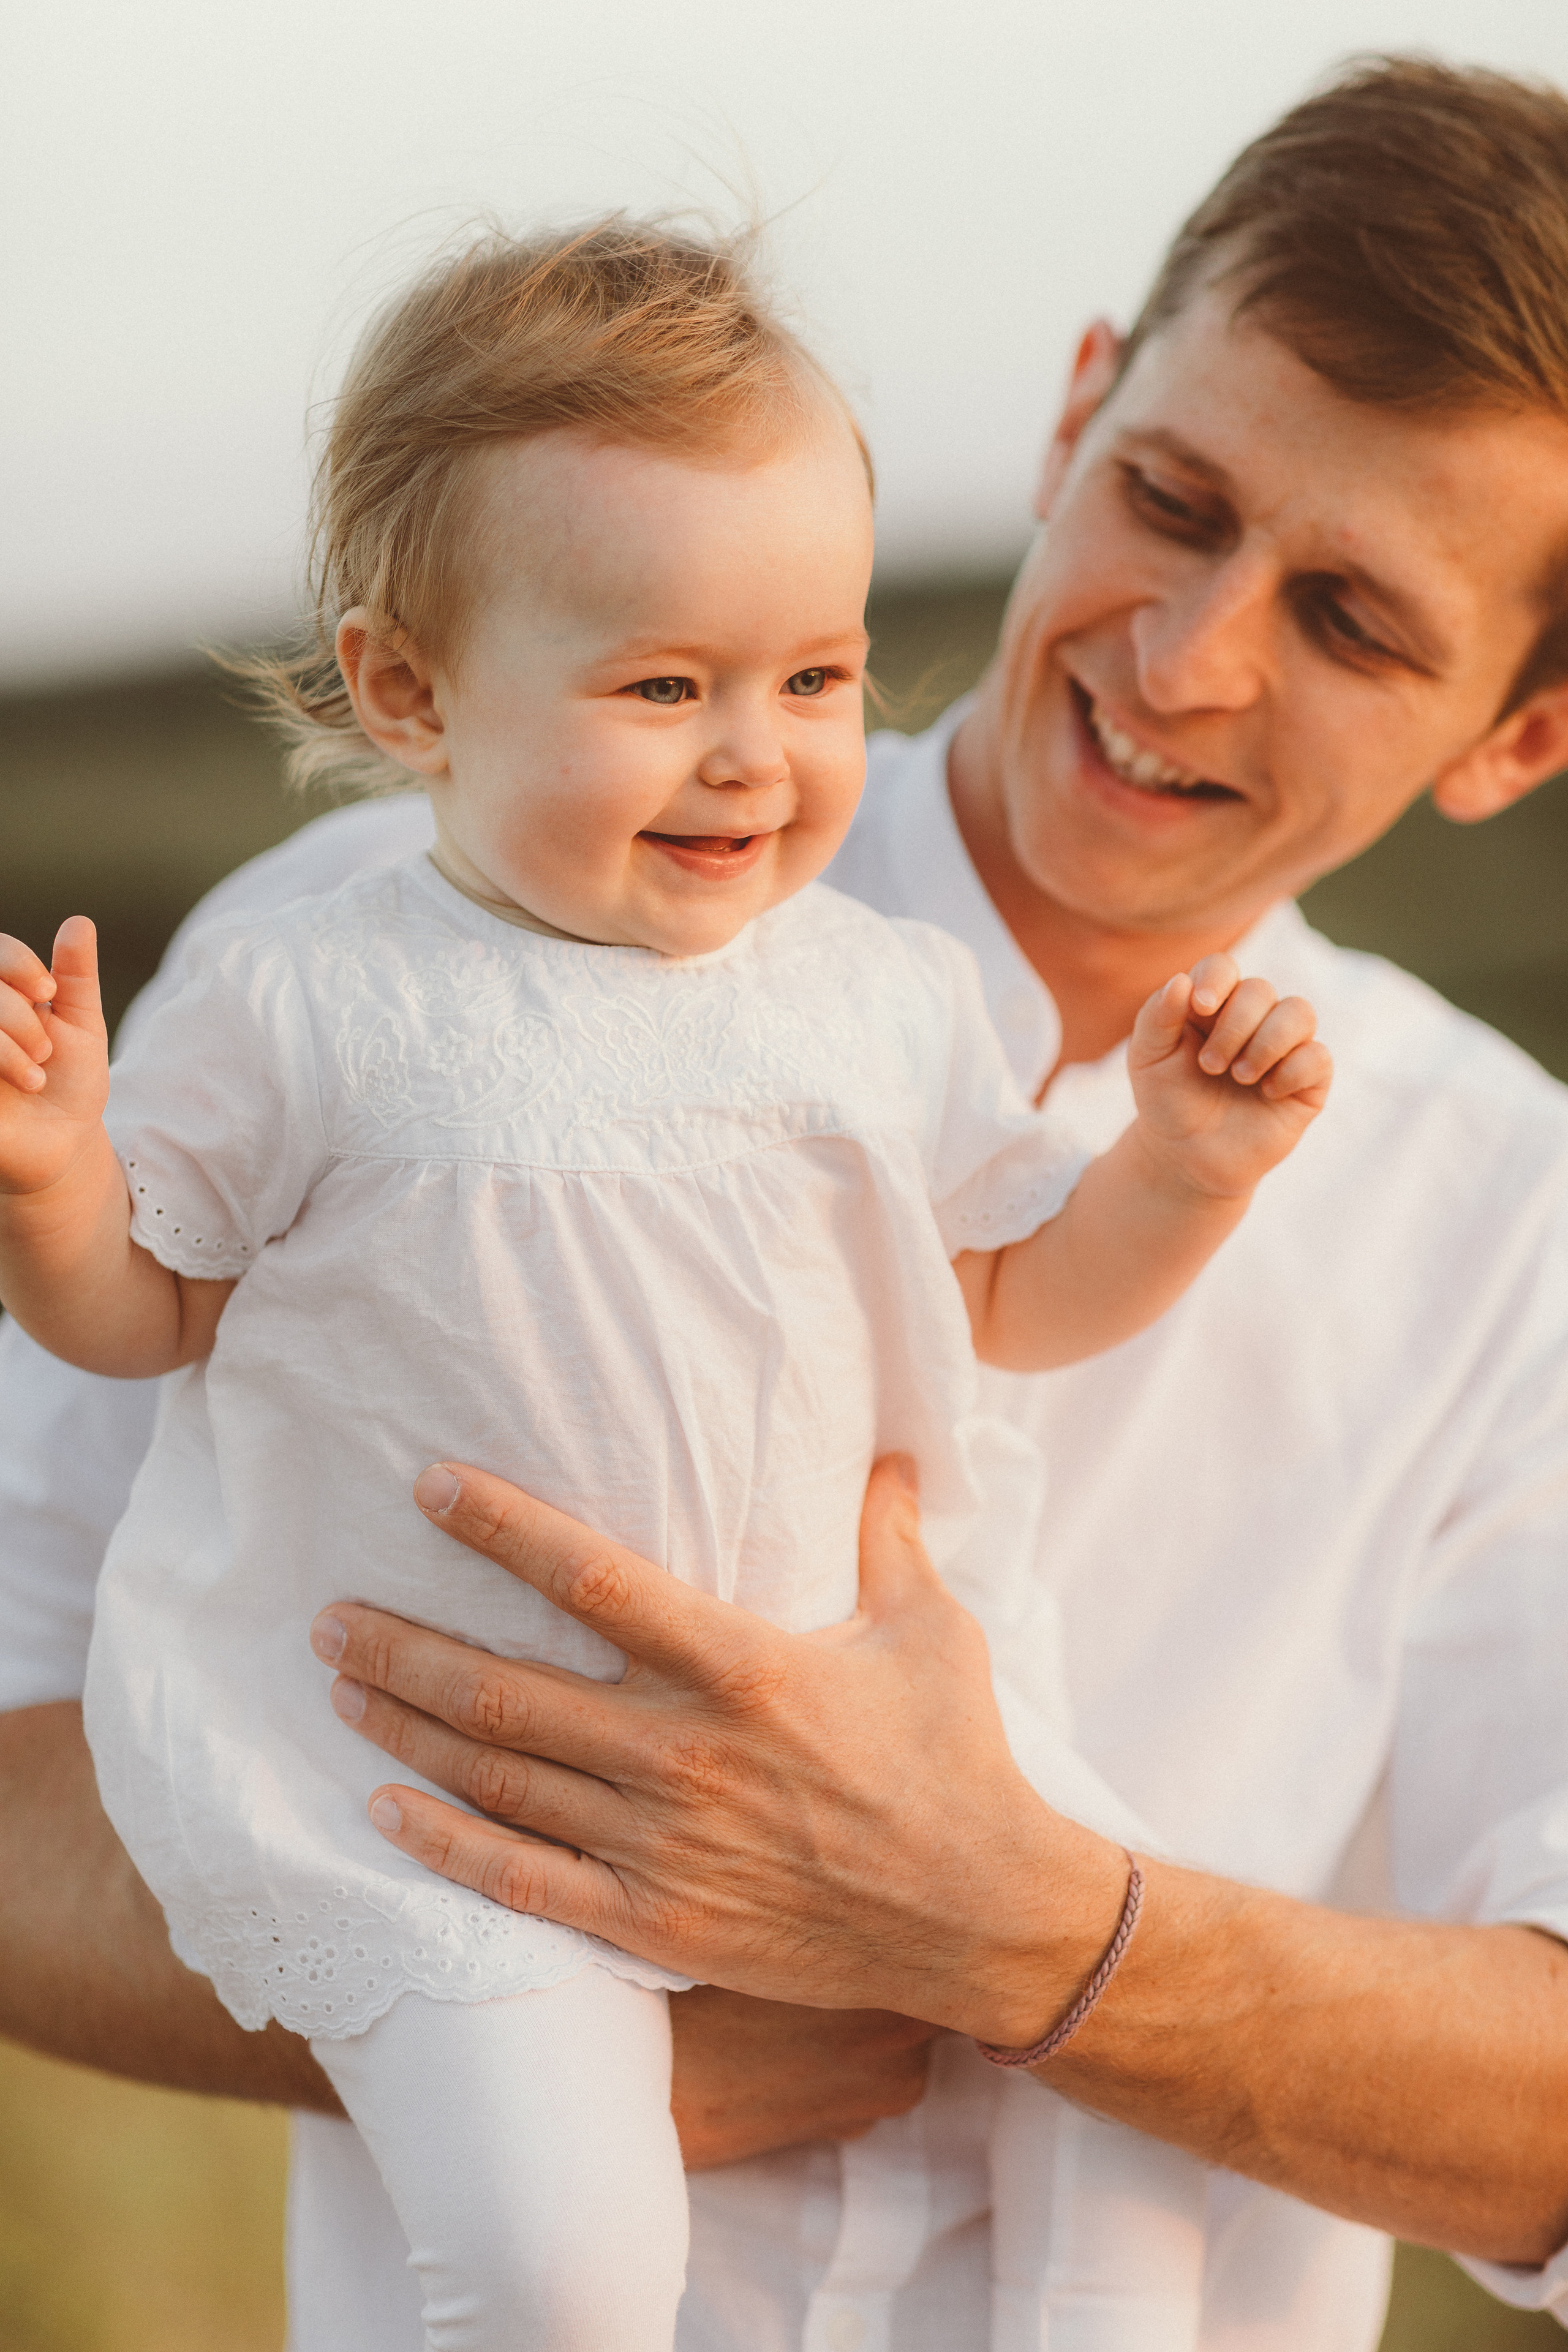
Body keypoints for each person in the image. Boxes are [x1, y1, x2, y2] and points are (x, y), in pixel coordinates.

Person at [5, 50, 1568, 2351]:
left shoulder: (1513, 1230)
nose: (1186, 656)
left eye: (1354, 622)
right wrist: (506, 2021)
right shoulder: (348, 974)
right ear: (1067, 419)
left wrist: (1023, 1937)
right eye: (1171, 497)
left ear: (1520, 739)